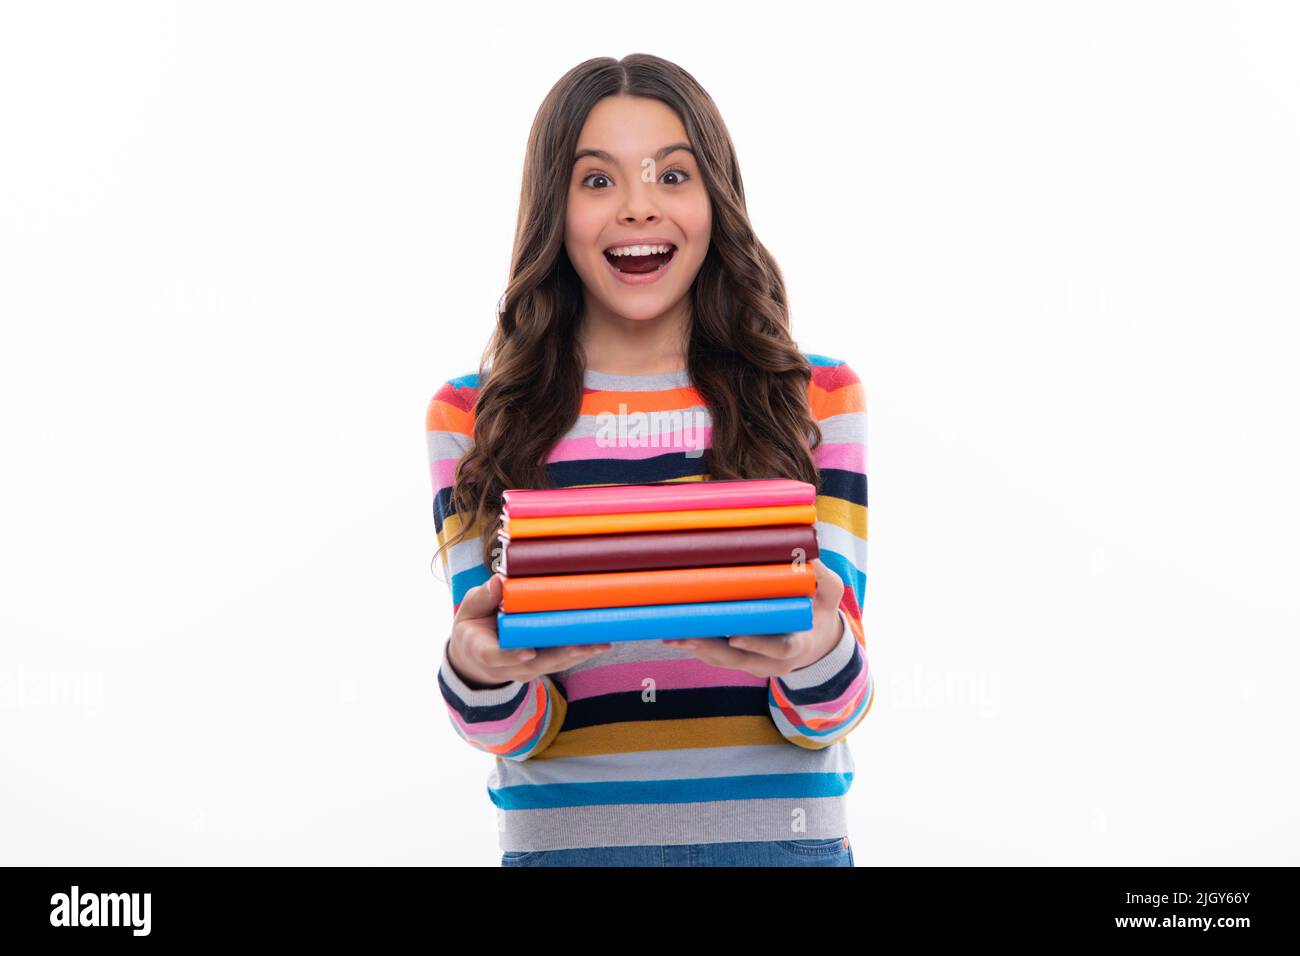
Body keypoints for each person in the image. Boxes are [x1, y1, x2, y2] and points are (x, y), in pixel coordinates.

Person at [426, 53, 870, 867]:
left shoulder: (815, 396)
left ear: (716, 200)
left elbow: (830, 711)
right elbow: (513, 728)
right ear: (553, 209)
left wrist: (818, 647)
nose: (638, 208)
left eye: (672, 175)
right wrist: (475, 666)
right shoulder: (473, 416)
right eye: (598, 181)